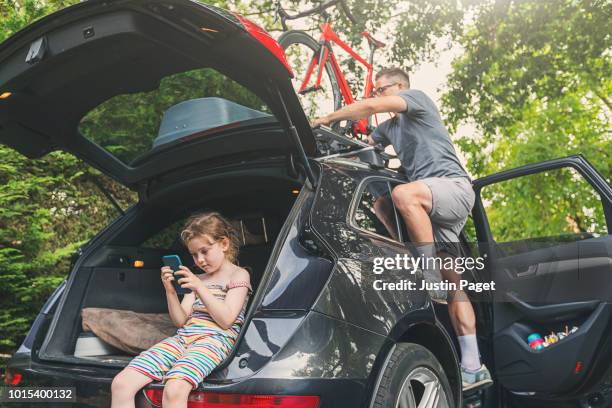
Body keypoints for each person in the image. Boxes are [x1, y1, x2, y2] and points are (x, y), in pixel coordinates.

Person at [313, 67, 493, 391]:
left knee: (403, 194)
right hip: (432, 208)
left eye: (381, 90)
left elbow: (369, 108)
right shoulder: (390, 131)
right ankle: (473, 365)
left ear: (399, 88)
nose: (377, 95)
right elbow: (362, 146)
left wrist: (326, 117)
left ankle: (426, 269)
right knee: (385, 205)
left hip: (452, 189)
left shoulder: (417, 101)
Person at [111, 212, 252, 408]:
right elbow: (180, 321)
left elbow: (227, 320)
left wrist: (199, 288)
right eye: (194, 254)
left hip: (214, 340)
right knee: (121, 383)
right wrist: (170, 291)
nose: (200, 260)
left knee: (174, 389)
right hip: (183, 338)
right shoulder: (197, 279)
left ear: (224, 244)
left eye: (205, 251)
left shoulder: (239, 275)